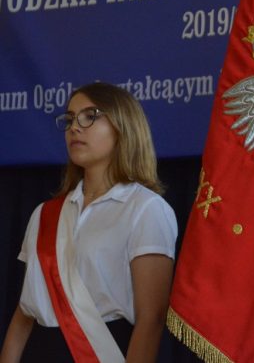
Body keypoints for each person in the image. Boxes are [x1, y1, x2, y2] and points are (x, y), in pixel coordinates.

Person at [0, 82, 177, 362]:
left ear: (123, 126)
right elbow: (24, 314)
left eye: (90, 116)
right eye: (70, 119)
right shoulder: (44, 213)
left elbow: (151, 319)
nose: (75, 127)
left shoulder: (145, 208)